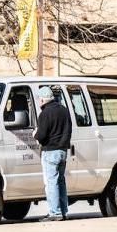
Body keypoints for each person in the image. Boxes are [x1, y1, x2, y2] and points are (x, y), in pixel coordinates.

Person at [33, 86, 72, 221]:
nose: (38, 101)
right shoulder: (64, 110)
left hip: (50, 151)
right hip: (63, 150)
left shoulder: (45, 113)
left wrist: (35, 134)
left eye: (39, 99)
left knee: (52, 182)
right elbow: (69, 130)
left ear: (43, 99)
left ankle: (55, 213)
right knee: (61, 181)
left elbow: (42, 135)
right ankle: (64, 211)